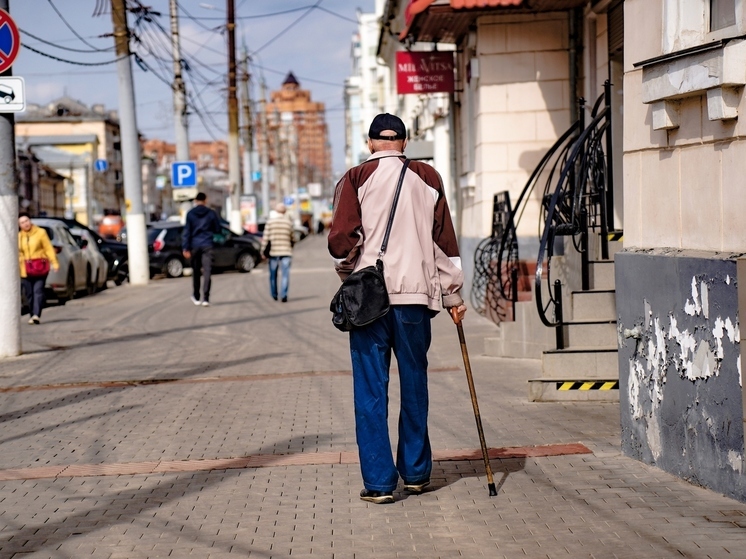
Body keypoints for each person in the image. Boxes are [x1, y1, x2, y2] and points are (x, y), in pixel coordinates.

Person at [328, 113, 467, 504]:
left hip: (370, 300)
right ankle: (418, 474)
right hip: (416, 301)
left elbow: (342, 240)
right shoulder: (428, 177)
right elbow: (444, 244)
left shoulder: (355, 178)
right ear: (404, 142)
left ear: (370, 143)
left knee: (371, 391)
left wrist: (349, 267)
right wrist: (453, 295)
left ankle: (379, 484)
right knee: (415, 385)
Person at [18, 212, 59, 325]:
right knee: (29, 293)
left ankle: (36, 314)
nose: (25, 224)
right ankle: (32, 314)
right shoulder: (18, 236)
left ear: (30, 221)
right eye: (22, 222)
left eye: (26, 221)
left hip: (39, 267)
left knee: (38, 291)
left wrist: (54, 263)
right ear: (19, 225)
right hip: (25, 269)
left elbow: (48, 248)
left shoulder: (40, 233)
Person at [182, 192, 221, 307]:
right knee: (207, 271)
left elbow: (187, 232)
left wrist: (185, 247)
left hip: (194, 245)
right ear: (205, 200)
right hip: (208, 244)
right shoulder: (211, 213)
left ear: (195, 201)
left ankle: (196, 296)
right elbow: (217, 229)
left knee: (196, 271)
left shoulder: (190, 214)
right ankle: (206, 298)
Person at [260, 203, 294, 302]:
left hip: (273, 252)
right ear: (285, 212)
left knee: (273, 274)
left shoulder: (270, 222)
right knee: (285, 274)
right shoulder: (288, 223)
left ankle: (274, 294)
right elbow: (293, 238)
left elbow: (265, 239)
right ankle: (284, 295)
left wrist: (263, 251)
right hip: (286, 251)